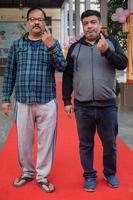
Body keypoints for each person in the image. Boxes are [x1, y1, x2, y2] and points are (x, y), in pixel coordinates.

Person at [2, 7, 66, 193]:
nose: (36, 22)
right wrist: (6, 98)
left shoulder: (52, 43)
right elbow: (10, 73)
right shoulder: (17, 45)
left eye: (40, 19)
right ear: (27, 22)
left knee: (46, 141)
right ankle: (27, 172)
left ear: (45, 22)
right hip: (23, 101)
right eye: (32, 19)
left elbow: (63, 67)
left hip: (47, 101)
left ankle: (42, 176)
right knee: (24, 140)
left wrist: (51, 46)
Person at [62, 9, 128, 192]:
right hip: (82, 107)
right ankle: (89, 175)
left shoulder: (112, 42)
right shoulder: (75, 47)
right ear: (83, 26)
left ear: (99, 24)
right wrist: (67, 100)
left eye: (93, 22)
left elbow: (123, 63)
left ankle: (109, 173)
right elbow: (67, 75)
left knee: (110, 143)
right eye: (86, 23)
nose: (89, 26)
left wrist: (107, 52)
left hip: (107, 106)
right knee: (85, 144)